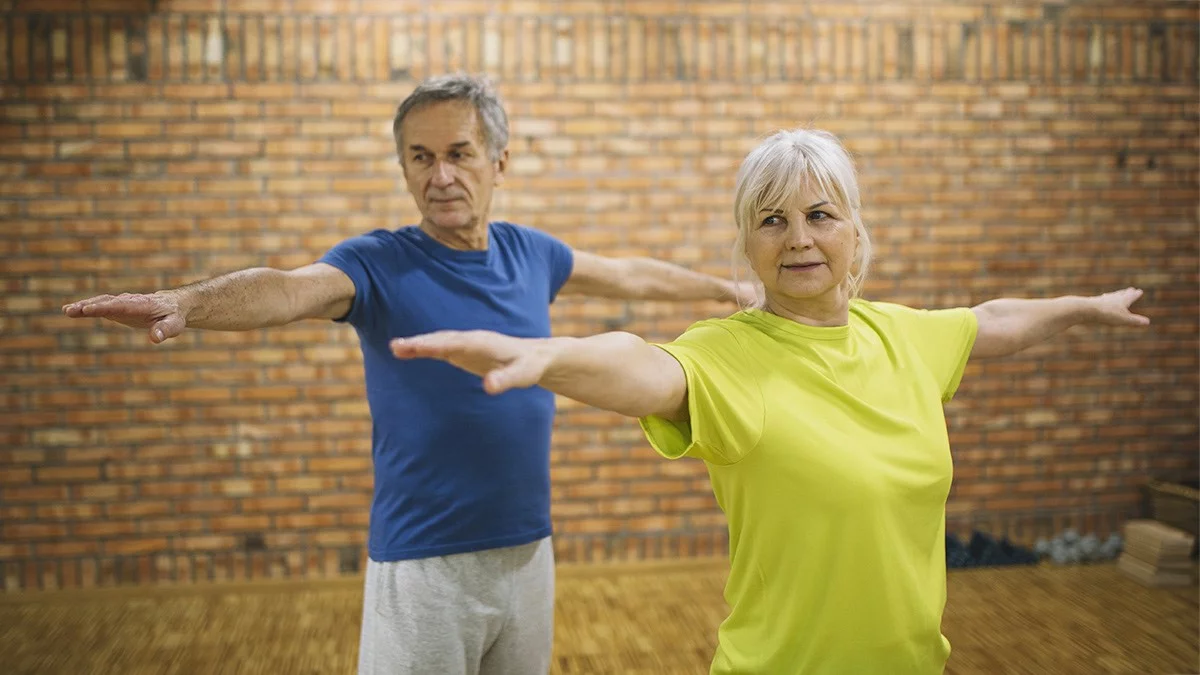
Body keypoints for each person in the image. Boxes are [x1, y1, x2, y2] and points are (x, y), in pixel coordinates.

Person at [388, 127, 1152, 674]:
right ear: (748, 247)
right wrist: (551, 354)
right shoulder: (731, 353)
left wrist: (1082, 306)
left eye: (820, 215)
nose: (799, 239)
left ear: (855, 231)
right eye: (772, 220)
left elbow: (992, 320)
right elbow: (645, 367)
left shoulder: (903, 336)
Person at [63, 74, 751, 675]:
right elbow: (286, 288)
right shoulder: (376, 262)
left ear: (499, 161)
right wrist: (188, 303)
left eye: (458, 153)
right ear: (403, 168)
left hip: (527, 550)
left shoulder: (531, 253)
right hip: (424, 565)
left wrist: (725, 289)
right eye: (419, 158)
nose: (440, 175)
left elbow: (627, 272)